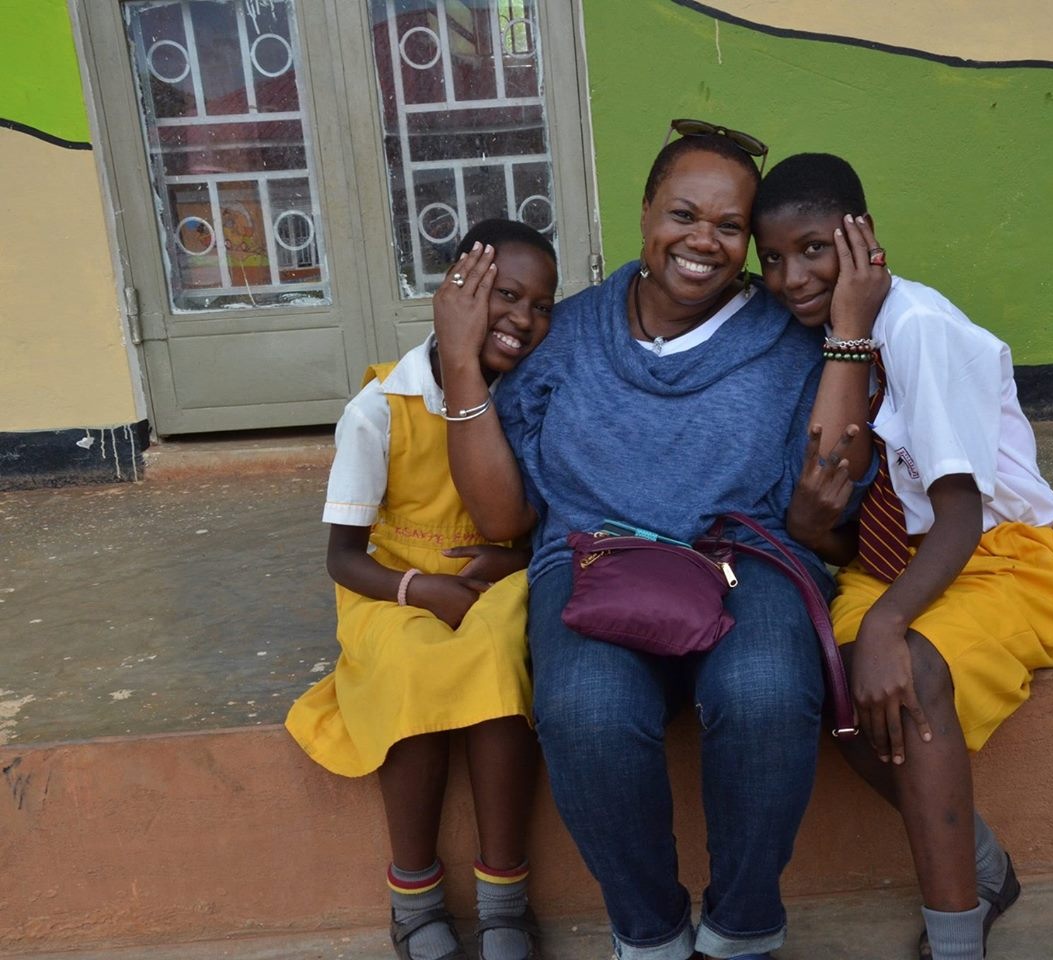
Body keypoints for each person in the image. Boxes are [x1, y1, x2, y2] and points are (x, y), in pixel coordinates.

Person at [479, 123, 875, 960]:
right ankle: (650, 935)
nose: (702, 241)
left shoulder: (788, 339)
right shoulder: (570, 334)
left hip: (747, 558)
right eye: (683, 214)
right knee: (587, 710)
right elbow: (506, 495)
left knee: (766, 691)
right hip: (591, 558)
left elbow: (834, 480)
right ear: (645, 212)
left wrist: (847, 325)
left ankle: (740, 930)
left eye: (728, 226)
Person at [753, 153, 1053, 960]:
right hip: (888, 564)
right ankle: (979, 863)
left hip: (999, 557)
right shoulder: (834, 335)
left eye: (813, 249)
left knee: (905, 670)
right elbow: (849, 493)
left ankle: (954, 935)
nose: (790, 278)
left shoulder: (917, 329)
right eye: (771, 259)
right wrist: (815, 535)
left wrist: (885, 625)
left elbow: (959, 516)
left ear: (862, 237)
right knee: (834, 688)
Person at [285, 219, 559, 960]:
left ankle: (504, 894)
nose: (523, 319)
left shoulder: (534, 396)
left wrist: (510, 562)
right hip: (393, 586)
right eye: (505, 295)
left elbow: (545, 519)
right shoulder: (380, 406)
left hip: (496, 577)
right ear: (456, 292)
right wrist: (419, 589)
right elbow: (343, 558)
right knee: (407, 667)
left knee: (500, 654)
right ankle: (413, 893)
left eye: (541, 306)